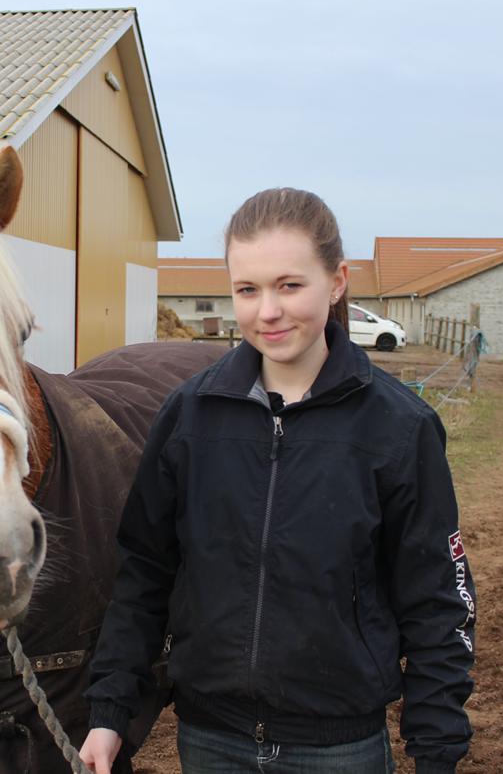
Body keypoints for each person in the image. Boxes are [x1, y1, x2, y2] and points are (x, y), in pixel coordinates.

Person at [78, 188, 475, 773]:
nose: (268, 310)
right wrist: (110, 711)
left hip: (339, 748)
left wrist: (437, 749)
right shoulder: (190, 416)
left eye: (290, 285)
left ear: (336, 282)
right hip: (212, 742)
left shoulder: (398, 427)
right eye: (248, 289)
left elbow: (437, 599)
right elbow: (145, 573)